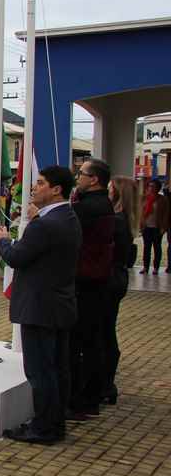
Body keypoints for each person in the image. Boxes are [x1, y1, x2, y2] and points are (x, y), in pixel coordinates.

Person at [0, 165, 81, 444]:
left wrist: (2, 241)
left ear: (56, 190)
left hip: (40, 306)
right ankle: (53, 422)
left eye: (41, 183)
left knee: (41, 370)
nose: (34, 187)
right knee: (57, 368)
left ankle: (44, 428)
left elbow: (18, 257)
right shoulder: (67, 217)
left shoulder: (45, 225)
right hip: (58, 304)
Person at [69, 158, 115, 420]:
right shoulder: (100, 204)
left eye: (82, 174)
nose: (79, 177)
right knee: (92, 341)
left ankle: (80, 399)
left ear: (94, 179)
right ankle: (90, 396)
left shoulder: (88, 208)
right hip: (96, 282)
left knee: (80, 344)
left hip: (85, 283)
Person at [104, 176, 137, 406]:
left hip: (110, 281)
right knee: (106, 331)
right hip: (118, 279)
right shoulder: (124, 219)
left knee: (104, 334)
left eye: (109, 189)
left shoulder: (116, 221)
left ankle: (105, 384)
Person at [139, 179, 168, 275]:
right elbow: (140, 212)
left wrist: (163, 227)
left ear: (158, 188)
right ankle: (145, 267)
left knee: (157, 247)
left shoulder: (162, 199)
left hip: (157, 227)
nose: (151, 188)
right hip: (146, 227)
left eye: (153, 186)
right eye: (150, 186)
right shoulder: (144, 198)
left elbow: (166, 214)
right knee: (146, 248)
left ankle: (156, 268)